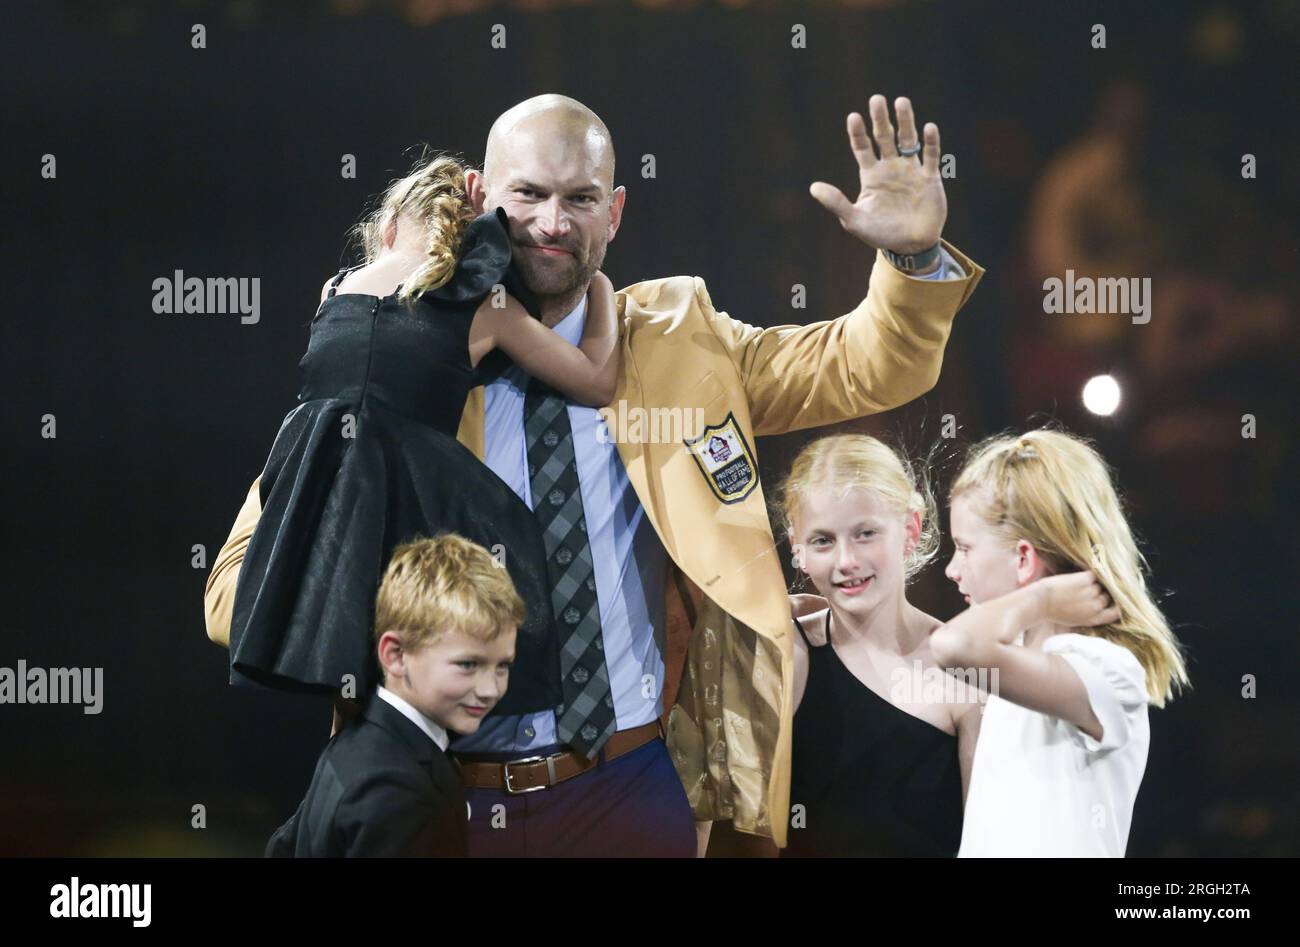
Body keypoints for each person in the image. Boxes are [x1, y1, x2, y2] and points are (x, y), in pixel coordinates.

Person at [207, 92, 984, 856]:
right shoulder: (400, 376)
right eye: (529, 194)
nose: (553, 221)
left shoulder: (685, 340)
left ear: (613, 212)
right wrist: (398, 597)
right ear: (480, 195)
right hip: (442, 799)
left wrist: (911, 258)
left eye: (579, 197)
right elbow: (237, 592)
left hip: (631, 783)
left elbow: (866, 365)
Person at [225, 151, 620, 720]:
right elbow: (595, 382)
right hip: (412, 495)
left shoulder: (334, 291)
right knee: (497, 583)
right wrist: (601, 289)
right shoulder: (482, 306)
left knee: (367, 677)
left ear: (385, 230)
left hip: (315, 491)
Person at [931, 428, 1190, 856]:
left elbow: (951, 647)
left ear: (1023, 559)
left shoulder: (1102, 668)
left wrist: (1043, 597)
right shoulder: (1013, 659)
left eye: (965, 548)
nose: (952, 570)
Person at [773, 435, 981, 856]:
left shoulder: (965, 675)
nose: (846, 560)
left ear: (910, 530)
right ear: (798, 548)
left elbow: (986, 844)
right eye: (823, 540)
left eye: (865, 533)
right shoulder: (785, 655)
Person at [267, 534, 517, 857]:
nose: (490, 689)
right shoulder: (398, 796)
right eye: (468, 664)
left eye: (502, 666)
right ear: (395, 655)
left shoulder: (354, 741)